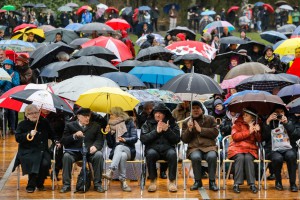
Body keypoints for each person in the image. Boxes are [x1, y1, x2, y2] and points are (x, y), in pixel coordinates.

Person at [12, 105, 59, 193]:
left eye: (36, 113)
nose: (34, 115)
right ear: (27, 115)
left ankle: (38, 183)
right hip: (27, 151)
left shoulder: (44, 122)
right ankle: (34, 185)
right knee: (33, 160)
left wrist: (56, 141)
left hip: (42, 150)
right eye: (31, 113)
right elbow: (17, 138)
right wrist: (29, 134)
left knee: (45, 163)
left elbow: (52, 134)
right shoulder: (22, 124)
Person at [60, 108, 105, 193]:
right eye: (85, 116)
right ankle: (66, 185)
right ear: (78, 116)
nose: (87, 118)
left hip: (90, 152)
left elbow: (100, 140)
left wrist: (95, 146)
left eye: (88, 116)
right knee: (66, 156)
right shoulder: (70, 125)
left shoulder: (96, 126)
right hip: (75, 152)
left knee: (99, 155)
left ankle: (97, 184)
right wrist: (74, 136)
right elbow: (64, 140)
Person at [140, 103, 180, 192]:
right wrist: (156, 132)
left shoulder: (172, 123)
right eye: (156, 113)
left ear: (165, 114)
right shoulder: (147, 123)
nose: (157, 115)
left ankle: (172, 181)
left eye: (160, 113)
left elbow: (177, 140)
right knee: (150, 154)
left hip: (168, 149)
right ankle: (153, 181)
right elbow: (143, 139)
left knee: (173, 154)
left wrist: (167, 130)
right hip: (153, 148)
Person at [181, 101, 219, 191]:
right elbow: (184, 139)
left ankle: (212, 182)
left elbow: (215, 133)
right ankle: (198, 181)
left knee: (212, 156)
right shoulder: (186, 122)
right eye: (193, 108)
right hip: (194, 147)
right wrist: (189, 130)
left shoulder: (210, 119)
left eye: (197, 108)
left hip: (209, 147)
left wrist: (201, 129)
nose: (195, 110)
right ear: (190, 111)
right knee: (195, 157)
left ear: (202, 109)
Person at [262, 105, 298, 192]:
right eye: (276, 112)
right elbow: (263, 137)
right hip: (273, 148)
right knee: (277, 158)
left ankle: (292, 183)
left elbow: (296, 135)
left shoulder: (291, 120)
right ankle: (278, 182)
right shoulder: (269, 121)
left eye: (281, 112)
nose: (279, 114)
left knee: (291, 155)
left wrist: (287, 123)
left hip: (288, 147)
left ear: (285, 112)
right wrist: (267, 122)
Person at [102, 107, 137, 192]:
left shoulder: (129, 122)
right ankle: (123, 181)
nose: (110, 116)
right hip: (117, 152)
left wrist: (125, 140)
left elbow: (135, 138)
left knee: (120, 147)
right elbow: (110, 145)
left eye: (111, 114)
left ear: (117, 115)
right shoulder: (110, 125)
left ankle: (111, 170)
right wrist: (108, 133)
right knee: (122, 155)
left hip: (129, 149)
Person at [228, 108, 261, 194]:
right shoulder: (237, 124)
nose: (244, 116)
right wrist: (249, 132)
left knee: (248, 158)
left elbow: (259, 140)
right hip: (237, 148)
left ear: (252, 118)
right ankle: (236, 184)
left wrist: (257, 132)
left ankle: (252, 184)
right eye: (244, 115)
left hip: (250, 149)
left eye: (246, 115)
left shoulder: (256, 125)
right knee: (240, 157)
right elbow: (235, 136)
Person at [0, 59, 20, 134]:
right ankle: (4, 128)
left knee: (12, 112)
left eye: (9, 65)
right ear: (4, 65)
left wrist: (11, 79)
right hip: (3, 94)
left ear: (11, 66)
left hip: (12, 94)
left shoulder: (15, 73)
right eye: (6, 64)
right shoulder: (1, 73)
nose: (7, 66)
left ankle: (12, 128)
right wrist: (7, 78)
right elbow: (0, 84)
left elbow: (17, 84)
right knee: (4, 112)